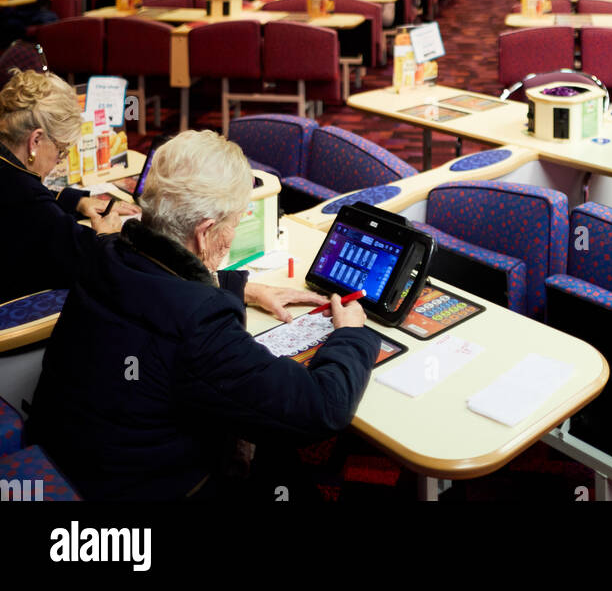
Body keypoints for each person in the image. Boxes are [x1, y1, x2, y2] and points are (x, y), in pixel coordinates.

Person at [28, 131, 379, 501]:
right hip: (141, 490)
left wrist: (243, 289)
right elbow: (321, 409)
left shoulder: (107, 252)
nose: (232, 235)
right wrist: (352, 334)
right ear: (206, 231)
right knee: (281, 457)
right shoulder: (200, 323)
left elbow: (158, 281)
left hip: (65, 459)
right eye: (234, 222)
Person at [0, 69, 135, 304]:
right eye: (61, 150)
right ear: (35, 140)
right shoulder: (29, 200)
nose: (58, 161)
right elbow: (91, 261)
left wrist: (77, 201)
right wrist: (107, 235)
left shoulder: (11, 172)